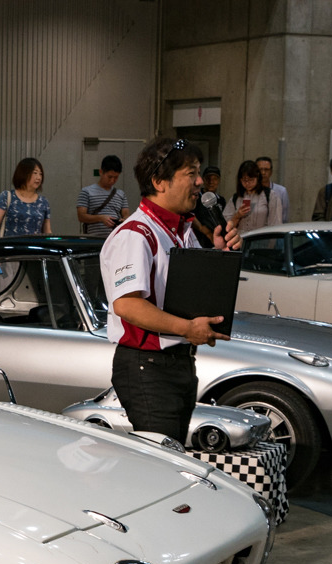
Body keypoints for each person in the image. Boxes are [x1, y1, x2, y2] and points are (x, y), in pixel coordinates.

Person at [100, 137, 240, 444]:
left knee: (172, 457)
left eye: (198, 172)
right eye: (191, 173)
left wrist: (218, 254)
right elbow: (127, 305)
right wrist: (188, 328)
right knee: (160, 465)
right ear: (159, 182)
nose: (200, 182)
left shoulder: (178, 232)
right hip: (146, 367)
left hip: (177, 362)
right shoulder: (135, 235)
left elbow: (184, 293)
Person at [0, 157, 52, 238]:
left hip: (34, 249)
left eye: (40, 174)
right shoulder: (7, 196)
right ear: (24, 174)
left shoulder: (43, 202)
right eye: (35, 173)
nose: (38, 177)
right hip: (10, 248)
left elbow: (47, 231)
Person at [76, 155, 131, 237]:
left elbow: (126, 214)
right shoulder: (87, 191)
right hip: (94, 238)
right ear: (101, 172)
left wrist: (123, 220)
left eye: (116, 177)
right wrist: (101, 218)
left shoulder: (120, 194)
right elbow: (81, 217)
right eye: (109, 177)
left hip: (115, 238)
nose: (112, 180)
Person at [224, 160, 283, 235]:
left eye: (251, 180)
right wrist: (237, 215)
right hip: (240, 241)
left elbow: (275, 224)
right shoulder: (236, 197)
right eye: (244, 180)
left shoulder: (270, 195)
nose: (248, 183)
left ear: (257, 177)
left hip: (261, 240)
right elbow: (226, 225)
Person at [192, 165, 225, 247]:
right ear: (203, 179)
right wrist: (206, 232)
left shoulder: (221, 200)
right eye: (208, 178)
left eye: (215, 179)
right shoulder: (196, 196)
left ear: (219, 180)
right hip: (199, 240)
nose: (211, 182)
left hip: (216, 241)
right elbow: (190, 216)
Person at [256, 156, 289, 223]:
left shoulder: (281, 191)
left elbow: (284, 217)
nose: (263, 173)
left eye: (266, 169)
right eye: (260, 170)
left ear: (271, 172)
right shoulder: (250, 191)